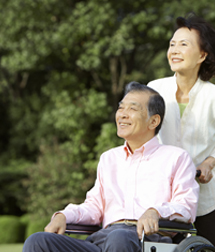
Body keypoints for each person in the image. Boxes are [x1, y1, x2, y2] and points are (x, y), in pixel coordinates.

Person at [23, 82, 199, 252]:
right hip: (103, 239)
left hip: (147, 240)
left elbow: (186, 206)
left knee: (119, 237)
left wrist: (155, 211)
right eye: (121, 108)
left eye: (132, 108)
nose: (122, 114)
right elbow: (94, 207)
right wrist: (63, 215)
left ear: (153, 121)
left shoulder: (176, 157)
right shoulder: (109, 158)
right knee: (38, 241)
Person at [148, 15, 215, 252]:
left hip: (209, 198)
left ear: (202, 55)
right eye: (172, 44)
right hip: (165, 198)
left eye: (184, 44)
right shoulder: (154, 90)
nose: (175, 50)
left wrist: (209, 163)